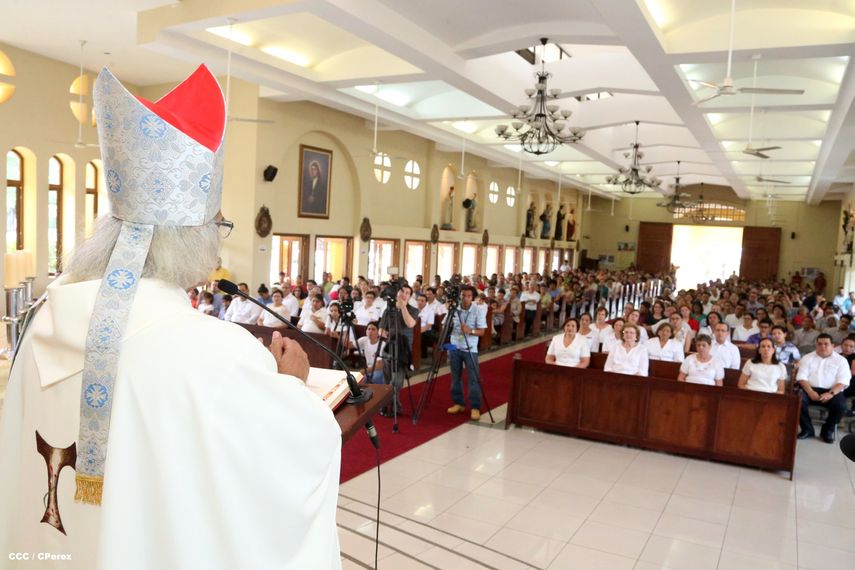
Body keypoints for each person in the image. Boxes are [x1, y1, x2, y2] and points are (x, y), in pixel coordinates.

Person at [0, 65, 341, 569]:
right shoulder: (212, 349)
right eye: (219, 226)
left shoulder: (41, 321)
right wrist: (293, 387)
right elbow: (280, 472)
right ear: (193, 238)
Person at [796, 334, 851, 443]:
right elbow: (801, 377)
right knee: (797, 401)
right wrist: (810, 391)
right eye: (820, 344)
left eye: (826, 344)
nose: (823, 346)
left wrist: (831, 393)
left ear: (833, 346)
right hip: (810, 389)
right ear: (816, 345)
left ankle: (827, 431)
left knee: (841, 407)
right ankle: (807, 429)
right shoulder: (807, 358)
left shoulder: (841, 360)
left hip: (832, 391)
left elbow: (843, 381)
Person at [446, 286, 488, 421]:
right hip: (454, 347)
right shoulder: (454, 309)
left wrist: (471, 331)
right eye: (463, 295)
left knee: (473, 378)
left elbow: (482, 331)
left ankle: (475, 407)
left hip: (470, 348)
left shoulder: (478, 310)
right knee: (455, 376)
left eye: (469, 296)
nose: (465, 298)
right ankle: (458, 402)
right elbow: (445, 325)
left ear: (472, 297)